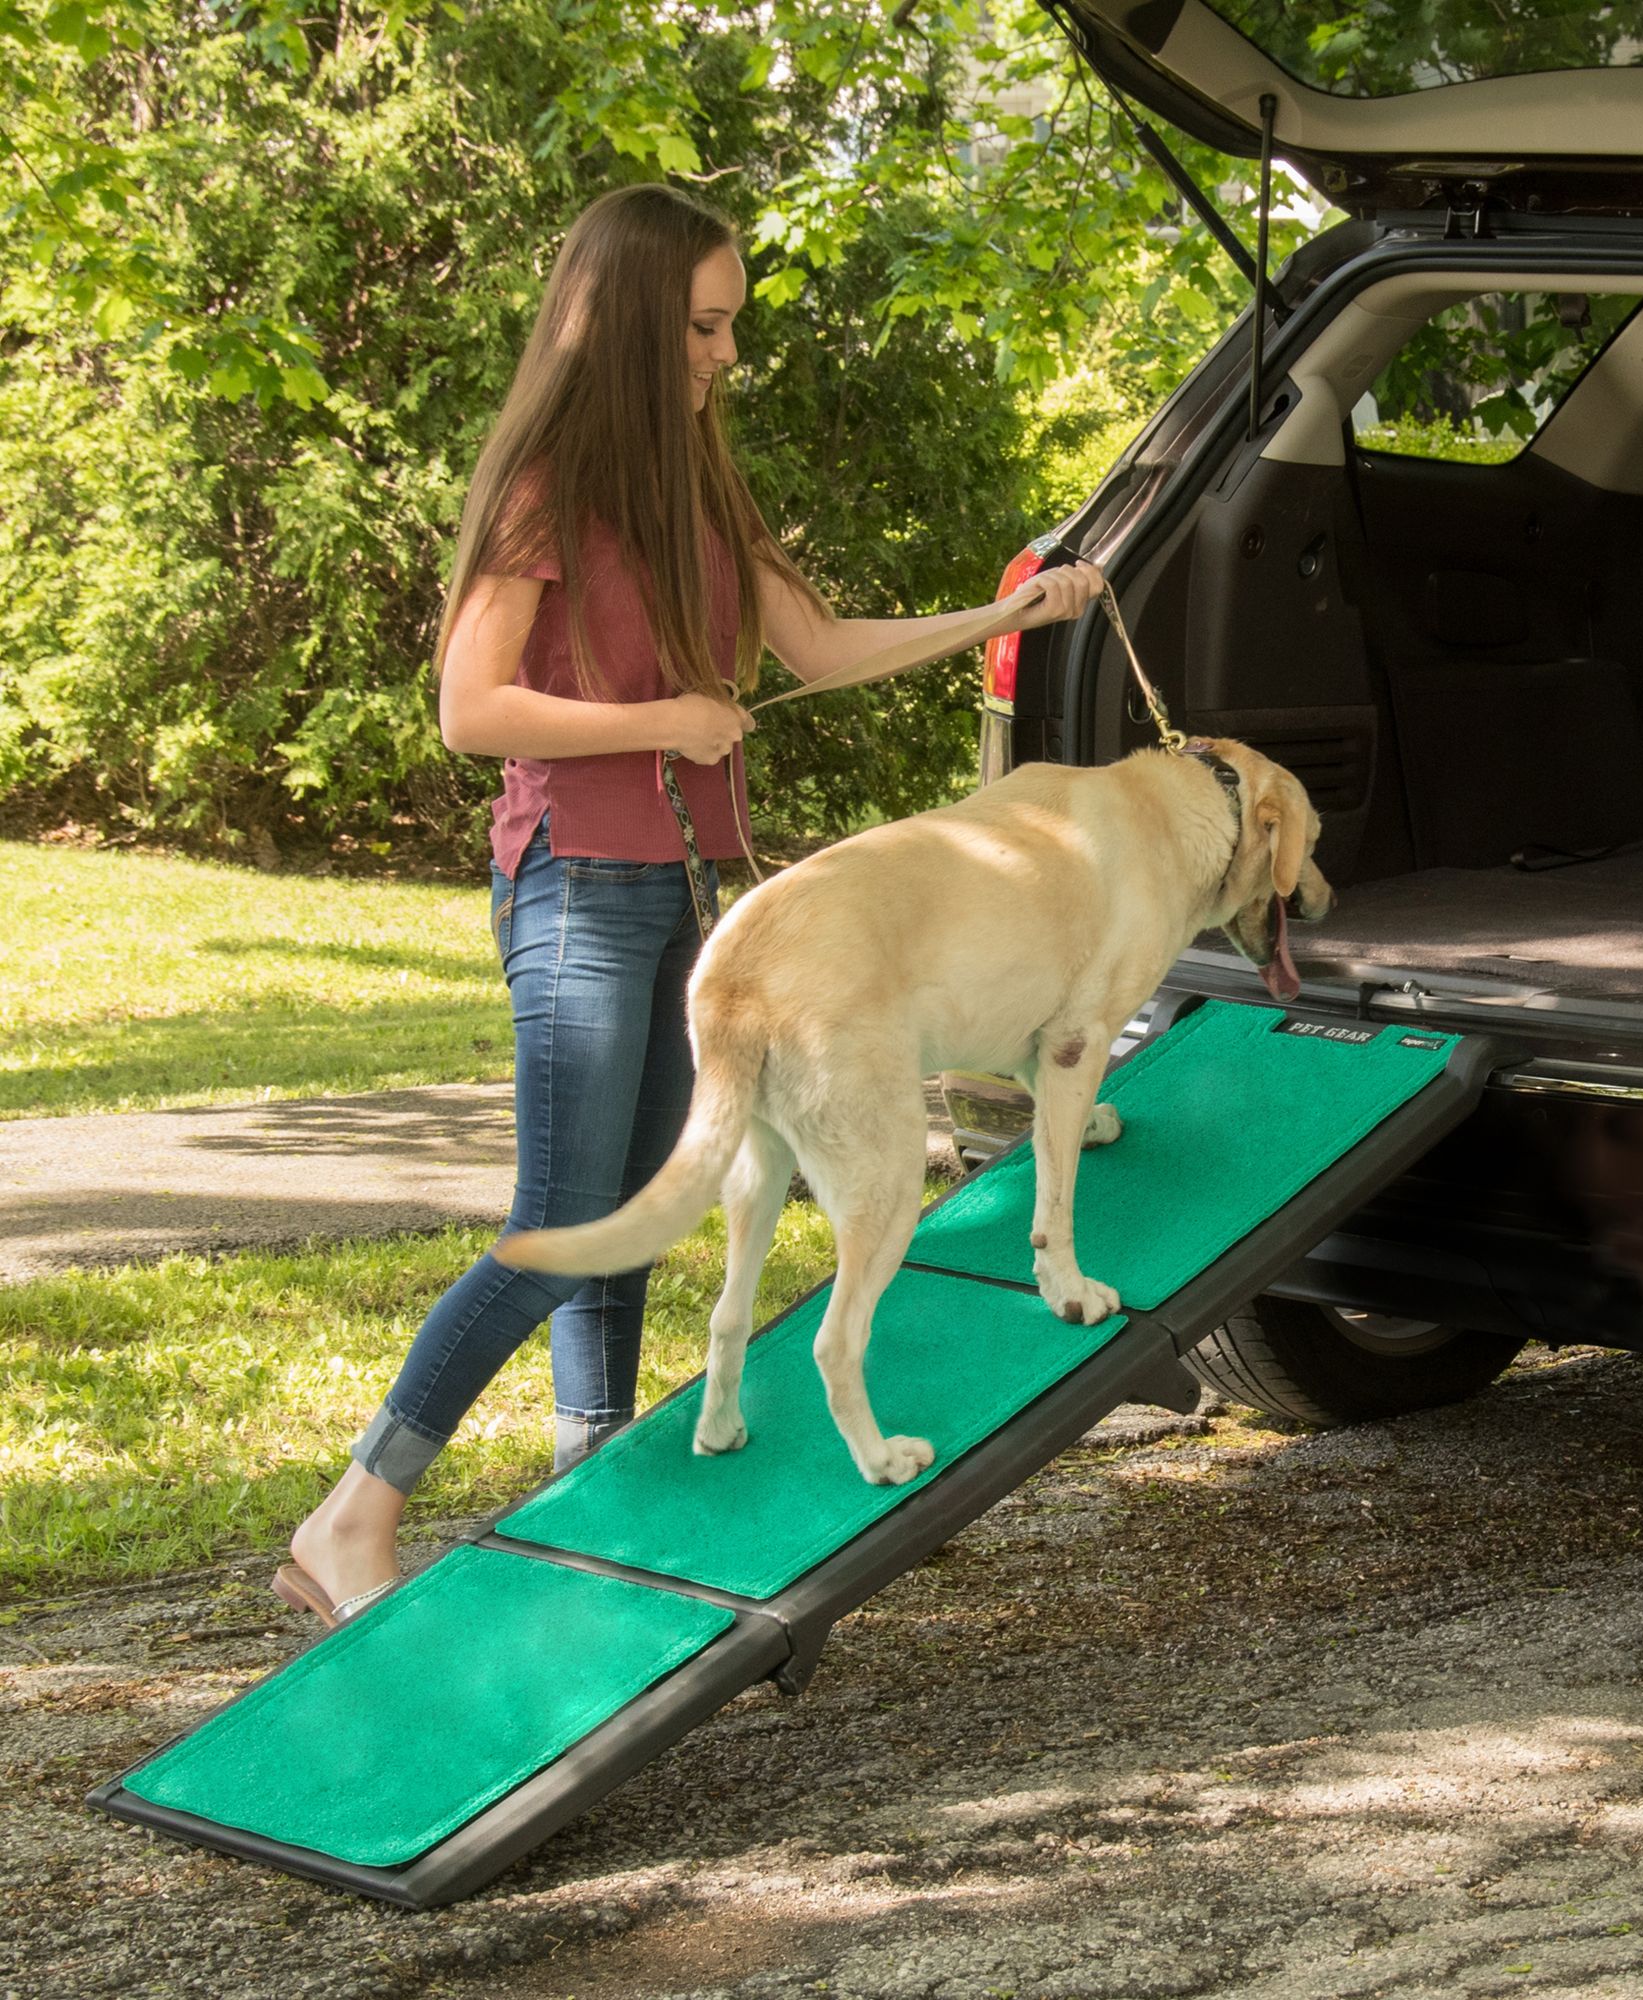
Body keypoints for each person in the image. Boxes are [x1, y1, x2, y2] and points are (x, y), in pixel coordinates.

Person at [278, 182, 1103, 1626]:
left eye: (728, 326)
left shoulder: (702, 482)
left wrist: (1006, 619)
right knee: (565, 1218)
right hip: (576, 890)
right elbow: (472, 707)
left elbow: (821, 644)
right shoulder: (547, 481)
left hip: (685, 896)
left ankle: (588, 1481)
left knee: (642, 1209)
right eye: (706, 326)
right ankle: (353, 1516)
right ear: (637, 320)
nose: (725, 354)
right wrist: (665, 712)